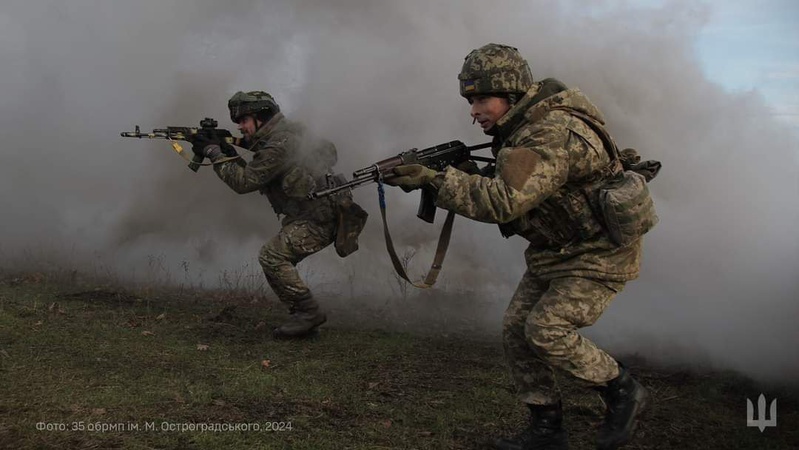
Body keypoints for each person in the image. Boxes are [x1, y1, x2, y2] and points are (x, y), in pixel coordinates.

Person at [384, 44, 656, 450]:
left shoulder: (548, 132)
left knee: (546, 330)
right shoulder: (521, 128)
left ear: (510, 95)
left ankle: (621, 389)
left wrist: (434, 181)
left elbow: (504, 201)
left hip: (599, 251)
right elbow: (517, 188)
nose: (473, 110)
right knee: (516, 330)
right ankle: (546, 430)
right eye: (469, 100)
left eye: (481, 99)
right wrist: (461, 173)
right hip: (556, 249)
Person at [192, 90, 365, 339]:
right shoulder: (285, 134)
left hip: (320, 219)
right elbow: (256, 171)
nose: (240, 127)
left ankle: (307, 314)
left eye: (243, 120)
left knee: (273, 256)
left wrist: (214, 153)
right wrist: (227, 152)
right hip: (314, 213)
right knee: (276, 258)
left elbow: (244, 182)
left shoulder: (279, 144)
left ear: (261, 117)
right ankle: (305, 317)